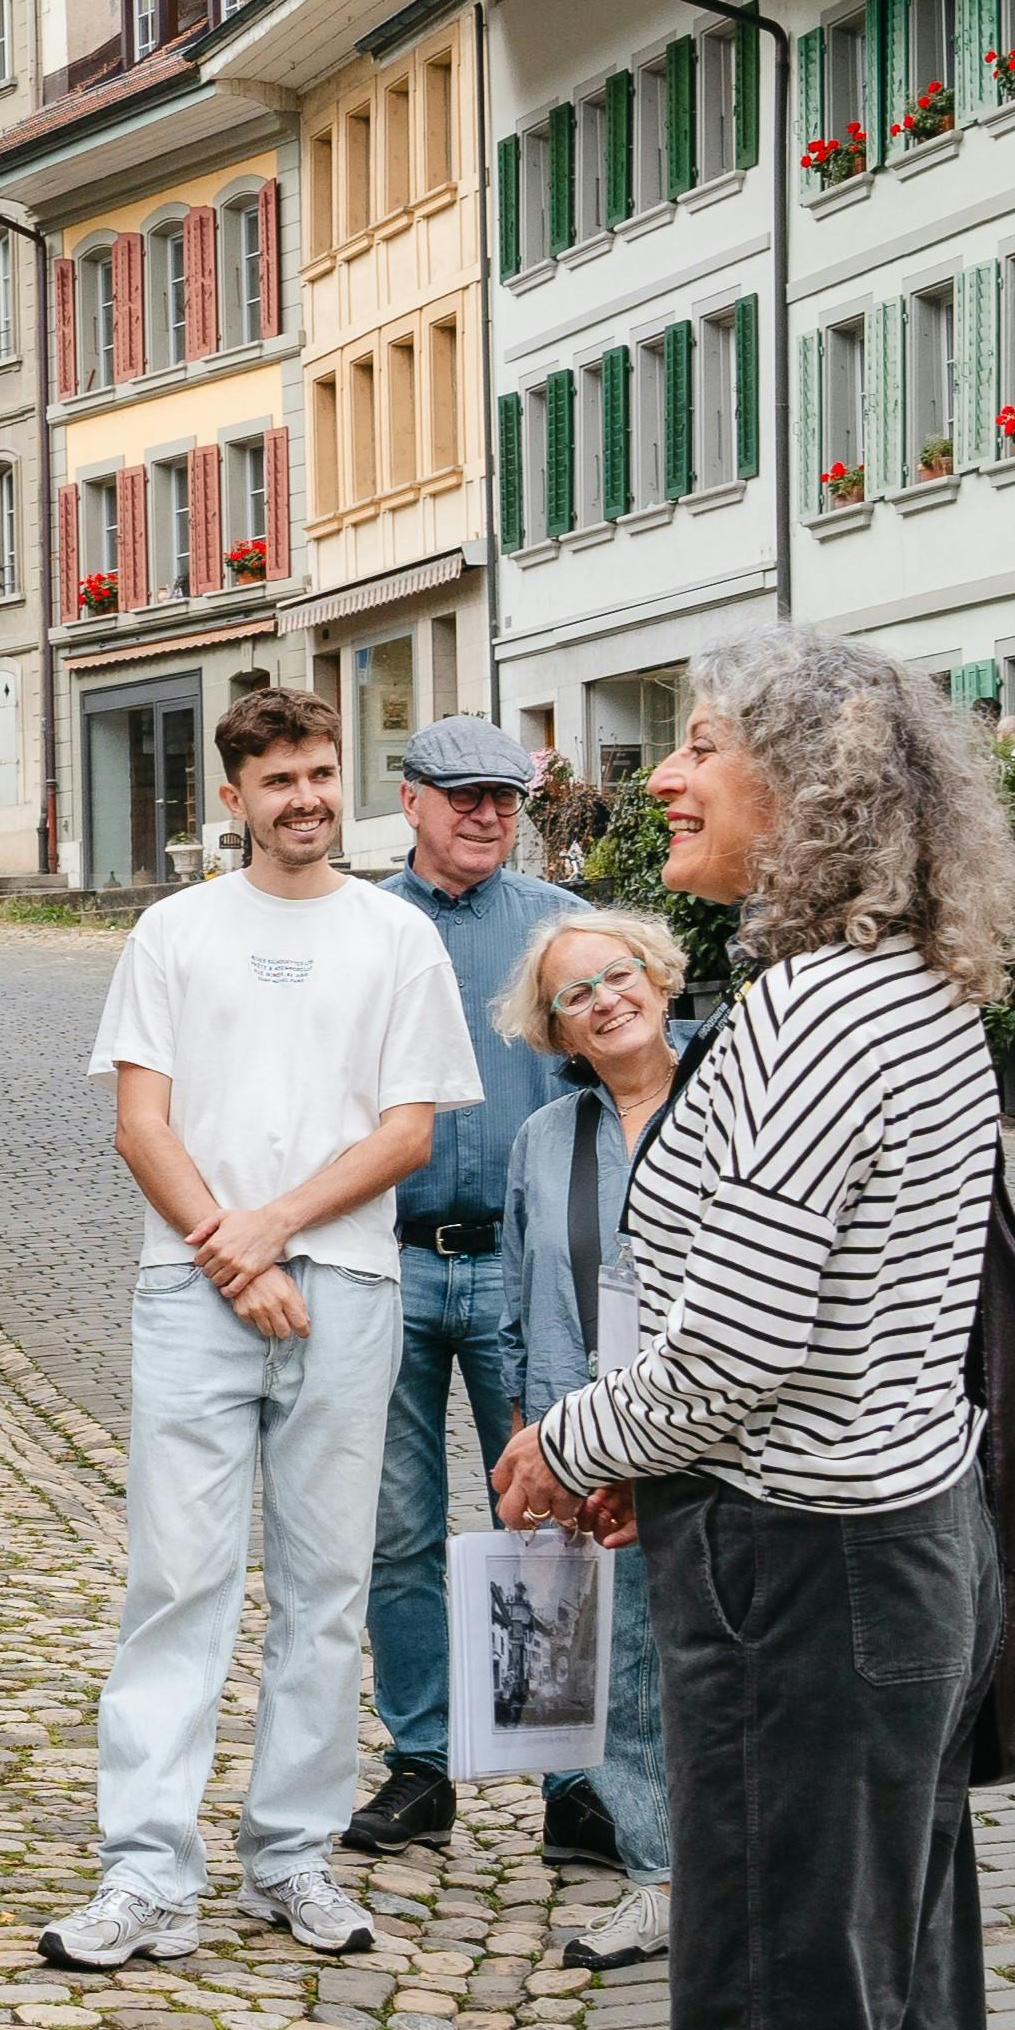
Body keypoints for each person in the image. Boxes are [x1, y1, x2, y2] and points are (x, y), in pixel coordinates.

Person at [492, 633, 1015, 2030]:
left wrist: (574, 1443)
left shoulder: (805, 1024)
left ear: (808, 797)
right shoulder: (920, 1006)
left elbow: (737, 1348)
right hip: (903, 1543)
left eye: (705, 744)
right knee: (901, 2027)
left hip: (799, 1571)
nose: (669, 773)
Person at [41, 688, 488, 1974]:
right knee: (176, 1580)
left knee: (327, 1586)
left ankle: (291, 1854)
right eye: (276, 779)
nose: (301, 799)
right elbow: (142, 1121)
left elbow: (409, 1128)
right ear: (228, 798)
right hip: (192, 1289)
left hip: (344, 1284)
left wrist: (275, 1229)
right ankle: (146, 1873)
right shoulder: (176, 931)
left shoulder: (392, 939)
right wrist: (234, 1259)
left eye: (318, 774)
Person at [353, 716, 591, 1870]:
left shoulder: (558, 930)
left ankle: (570, 1776)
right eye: (462, 797)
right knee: (397, 1528)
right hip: (387, 1256)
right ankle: (421, 1762)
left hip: (518, 1261)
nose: (487, 814)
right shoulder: (360, 926)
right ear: (409, 802)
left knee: (545, 1512)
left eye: (503, 795)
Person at [501, 907, 697, 1979]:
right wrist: (535, 1437)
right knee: (614, 1664)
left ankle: (750, 1869)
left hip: (713, 1420)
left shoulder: (729, 1103)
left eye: (617, 975)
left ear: (660, 981)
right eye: (575, 994)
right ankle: (657, 1876)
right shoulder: (543, 1141)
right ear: (558, 1031)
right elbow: (519, 1307)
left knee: (720, 1654)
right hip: (585, 1431)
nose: (604, 1000)